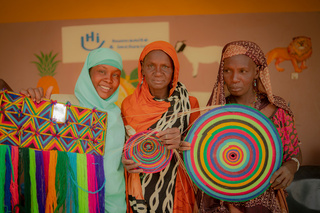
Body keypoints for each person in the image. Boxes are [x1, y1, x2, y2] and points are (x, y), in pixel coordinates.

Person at [198, 40, 302, 213]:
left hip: (265, 202)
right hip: (222, 203)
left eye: (243, 71)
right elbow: (202, 157)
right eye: (227, 71)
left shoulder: (277, 110)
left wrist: (291, 167)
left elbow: (295, 150)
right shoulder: (216, 113)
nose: (234, 78)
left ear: (256, 73)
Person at [20, 48, 126, 213]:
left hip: (115, 205)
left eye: (116, 75)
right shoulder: (63, 105)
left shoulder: (120, 115)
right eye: (101, 71)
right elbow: (37, 139)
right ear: (88, 74)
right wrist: (38, 109)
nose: (109, 80)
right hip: (72, 203)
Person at [121, 41, 200, 213]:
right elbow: (123, 146)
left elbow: (199, 153)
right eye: (151, 66)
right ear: (141, 68)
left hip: (177, 189)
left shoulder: (190, 104)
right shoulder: (128, 105)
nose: (158, 73)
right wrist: (124, 161)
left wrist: (181, 143)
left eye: (165, 66)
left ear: (174, 71)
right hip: (140, 189)